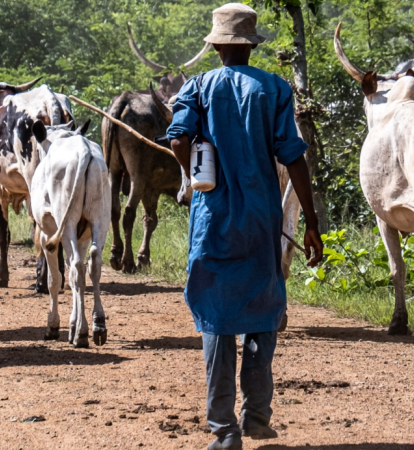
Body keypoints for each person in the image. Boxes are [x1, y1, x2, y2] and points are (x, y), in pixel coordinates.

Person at [167, 4, 324, 449]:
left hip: (212, 220)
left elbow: (178, 138)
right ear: (251, 47)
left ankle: (223, 431)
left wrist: (195, 166)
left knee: (216, 319)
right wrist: (310, 223)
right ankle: (256, 413)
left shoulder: (198, 87)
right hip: (260, 219)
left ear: (216, 46)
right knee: (261, 311)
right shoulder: (273, 88)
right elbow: (293, 155)